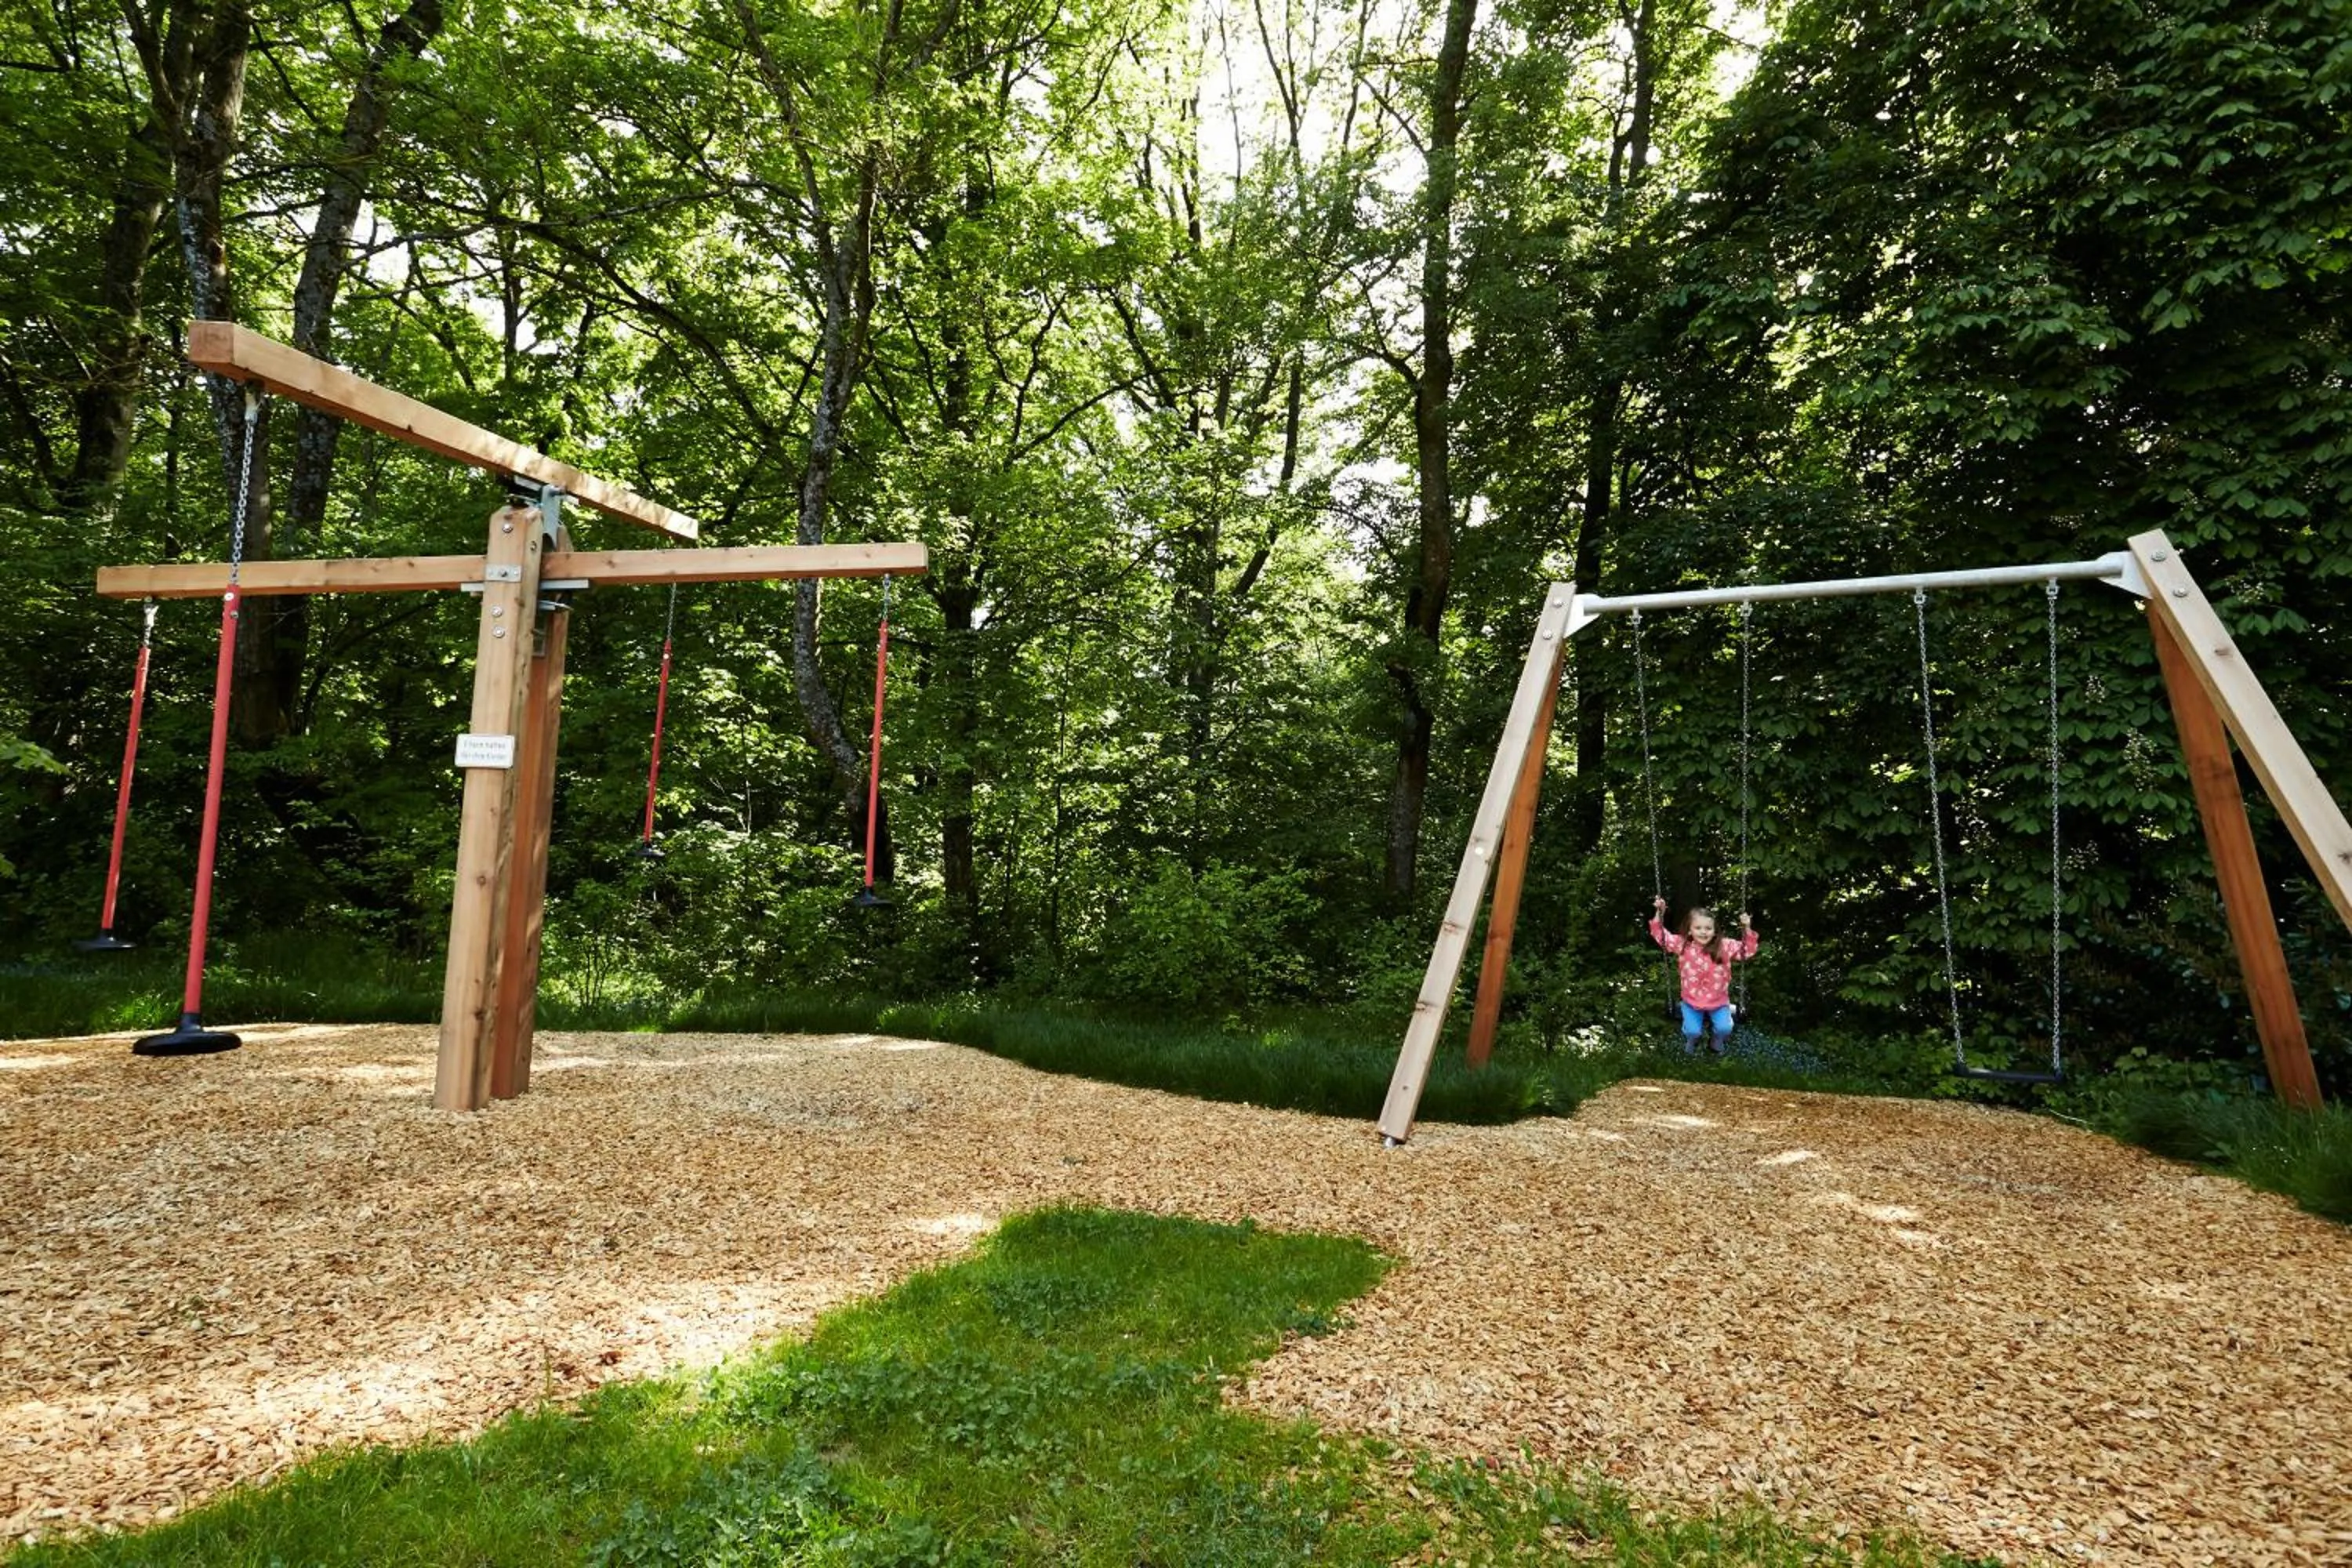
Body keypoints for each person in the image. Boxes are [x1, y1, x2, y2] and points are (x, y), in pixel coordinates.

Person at [1649, 895, 1758, 1053]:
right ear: (1690, 931)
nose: (1703, 932)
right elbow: (1661, 936)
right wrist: (1659, 914)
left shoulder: (1724, 946)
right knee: (1693, 1031)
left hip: (1719, 1002)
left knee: (1725, 1029)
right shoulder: (1683, 945)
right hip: (1691, 1002)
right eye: (1698, 928)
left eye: (1708, 928)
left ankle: (1716, 1041)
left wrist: (1747, 928)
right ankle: (1692, 1041)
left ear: (1714, 931)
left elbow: (1747, 950)